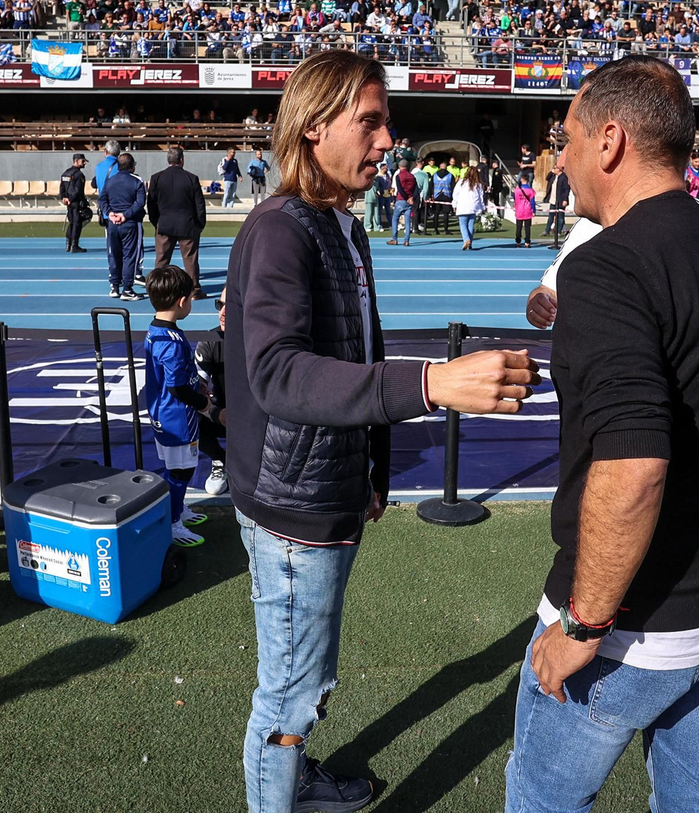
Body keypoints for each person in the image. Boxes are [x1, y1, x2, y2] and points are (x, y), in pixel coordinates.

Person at [227, 50, 541, 813]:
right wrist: (430, 382)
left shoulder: (341, 225)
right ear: (313, 126)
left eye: (386, 122)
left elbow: (356, 348)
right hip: (293, 510)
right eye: (370, 121)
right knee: (290, 696)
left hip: (326, 489)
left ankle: (294, 780)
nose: (387, 139)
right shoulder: (280, 230)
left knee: (308, 681)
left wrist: (372, 467)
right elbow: (279, 373)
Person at [505, 55, 699, 813]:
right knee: (696, 798)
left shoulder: (607, 265)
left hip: (639, 628)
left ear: (610, 141)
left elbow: (633, 466)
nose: (560, 159)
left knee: (542, 797)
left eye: (566, 139)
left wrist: (583, 624)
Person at [143, 266, 211, 548]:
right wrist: (203, 404)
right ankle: (173, 523)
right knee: (181, 470)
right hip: (177, 417)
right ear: (182, 301)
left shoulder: (157, 329)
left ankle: (178, 509)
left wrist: (197, 383)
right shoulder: (170, 342)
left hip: (164, 412)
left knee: (177, 468)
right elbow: (176, 388)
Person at [148, 145, 208, 298]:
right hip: (187, 225)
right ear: (181, 160)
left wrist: (157, 222)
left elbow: (151, 205)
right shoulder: (191, 178)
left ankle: (158, 289)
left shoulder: (156, 178)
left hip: (164, 224)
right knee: (190, 260)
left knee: (161, 260)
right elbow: (199, 205)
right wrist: (199, 224)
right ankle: (194, 290)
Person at [195, 287, 228, 496]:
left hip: (257, 414)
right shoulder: (210, 340)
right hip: (223, 413)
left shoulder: (262, 339)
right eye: (219, 305)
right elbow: (195, 387)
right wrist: (214, 412)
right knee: (185, 410)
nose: (222, 312)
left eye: (229, 306)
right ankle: (221, 459)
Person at [103, 152, 146, 301]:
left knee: (114, 255)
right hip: (130, 223)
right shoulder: (137, 182)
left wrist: (110, 213)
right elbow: (140, 203)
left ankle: (114, 286)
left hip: (113, 223)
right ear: (132, 166)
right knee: (129, 256)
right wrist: (125, 215)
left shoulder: (110, 181)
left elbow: (102, 200)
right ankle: (127, 289)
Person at [60, 152, 90, 253]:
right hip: (76, 202)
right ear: (76, 161)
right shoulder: (79, 175)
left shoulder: (65, 173)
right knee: (77, 223)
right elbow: (77, 191)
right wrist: (70, 199)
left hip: (69, 203)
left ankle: (68, 244)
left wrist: (64, 198)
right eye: (83, 161)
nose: (84, 163)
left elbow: (62, 188)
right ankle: (74, 245)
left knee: (72, 222)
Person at [452, 165, 486, 251]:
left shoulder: (461, 182)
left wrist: (454, 204)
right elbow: (481, 197)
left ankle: (466, 239)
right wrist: (482, 207)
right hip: (473, 207)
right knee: (470, 225)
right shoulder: (478, 184)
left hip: (463, 206)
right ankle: (470, 243)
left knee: (463, 224)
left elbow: (455, 194)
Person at [389, 155, 417, 247]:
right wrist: (412, 198)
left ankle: (394, 239)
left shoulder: (398, 176)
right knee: (408, 221)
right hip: (409, 201)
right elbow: (416, 189)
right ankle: (406, 240)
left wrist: (406, 198)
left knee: (395, 219)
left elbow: (400, 189)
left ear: (399, 166)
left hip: (401, 199)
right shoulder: (412, 176)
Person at [543, 164, 570, 244]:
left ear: (559, 169)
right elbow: (547, 178)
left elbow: (567, 189)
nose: (554, 169)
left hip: (560, 200)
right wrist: (551, 172)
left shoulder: (564, 177)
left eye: (555, 168)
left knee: (560, 217)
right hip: (553, 199)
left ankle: (558, 231)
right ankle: (547, 231)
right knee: (551, 216)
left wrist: (565, 199)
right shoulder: (553, 176)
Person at [362, 162, 391, 233]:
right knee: (369, 213)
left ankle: (376, 226)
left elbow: (378, 188)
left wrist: (378, 191)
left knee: (376, 213)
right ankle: (367, 226)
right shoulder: (367, 178)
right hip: (369, 198)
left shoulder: (377, 179)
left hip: (376, 198)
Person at [513, 173, 538, 247]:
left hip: (519, 210)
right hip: (527, 210)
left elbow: (514, 198)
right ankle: (527, 242)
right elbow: (532, 201)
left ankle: (518, 241)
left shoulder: (517, 190)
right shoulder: (530, 190)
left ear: (521, 179)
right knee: (527, 227)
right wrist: (534, 210)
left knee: (518, 227)